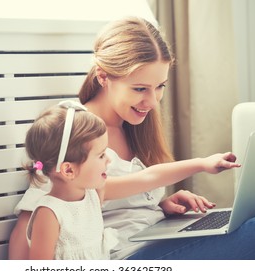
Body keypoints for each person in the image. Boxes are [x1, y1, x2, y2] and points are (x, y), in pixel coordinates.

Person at [10, 17, 255, 260]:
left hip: (153, 236)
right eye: (139, 89)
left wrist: (157, 205)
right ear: (103, 76)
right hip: (127, 256)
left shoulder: (132, 126)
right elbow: (34, 221)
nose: (152, 101)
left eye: (159, 87)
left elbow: (116, 198)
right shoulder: (74, 130)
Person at [22, 100, 239, 260]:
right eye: (100, 155)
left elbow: (150, 176)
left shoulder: (95, 194)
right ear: (68, 170)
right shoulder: (48, 214)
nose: (109, 159)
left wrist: (202, 164)